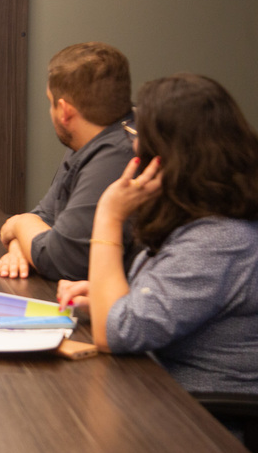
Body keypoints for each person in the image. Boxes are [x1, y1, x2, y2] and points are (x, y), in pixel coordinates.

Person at [58, 74, 258, 396]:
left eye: (138, 133)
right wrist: (110, 296)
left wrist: (109, 214)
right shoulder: (203, 221)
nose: (133, 144)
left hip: (201, 423)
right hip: (158, 393)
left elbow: (114, 334)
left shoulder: (221, 241)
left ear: (170, 153)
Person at [0, 42, 135, 281]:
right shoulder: (89, 136)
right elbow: (44, 217)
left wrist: (18, 224)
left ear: (64, 111)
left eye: (50, 101)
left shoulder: (118, 156)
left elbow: (60, 259)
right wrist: (20, 245)